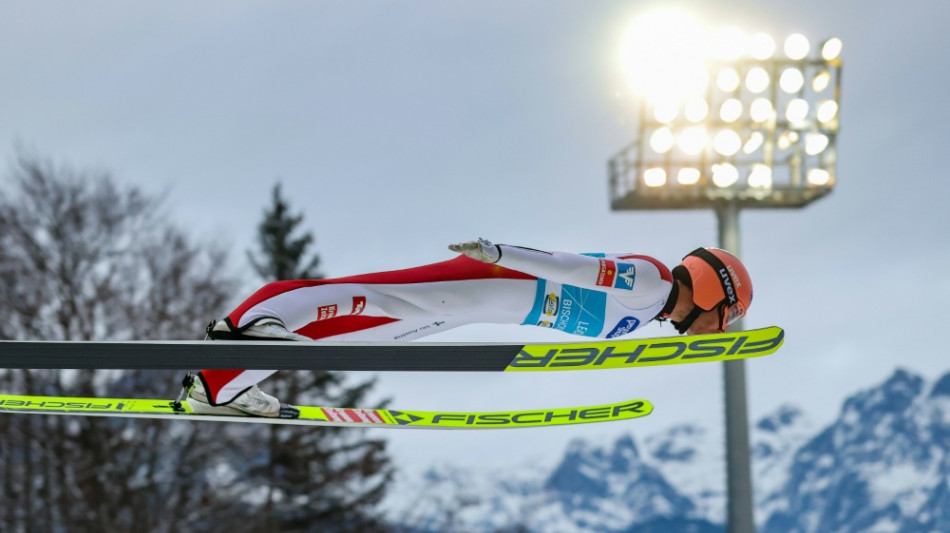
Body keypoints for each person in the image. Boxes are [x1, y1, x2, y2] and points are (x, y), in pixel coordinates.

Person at [185, 238, 753, 418]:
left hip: (467, 308)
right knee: (367, 294)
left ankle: (219, 385)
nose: (720, 329)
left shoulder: (648, 314)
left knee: (353, 336)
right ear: (711, 292)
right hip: (486, 278)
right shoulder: (652, 282)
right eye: (725, 316)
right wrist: (503, 250)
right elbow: (574, 268)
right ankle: (250, 326)